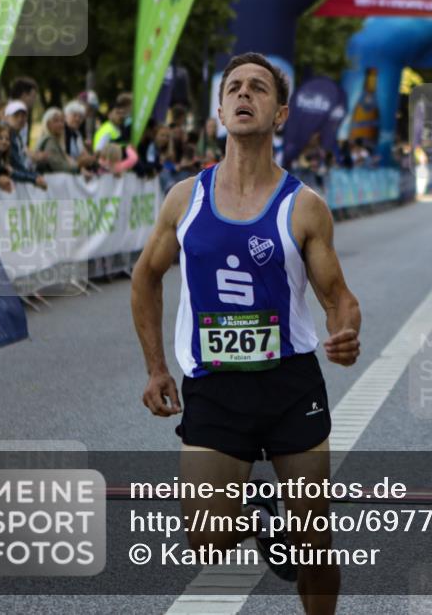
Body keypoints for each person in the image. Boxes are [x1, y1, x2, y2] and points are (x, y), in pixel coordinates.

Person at [131, 52, 360, 615]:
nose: (244, 95)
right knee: (207, 539)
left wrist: (346, 333)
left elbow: (339, 298)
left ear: (279, 114)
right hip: (214, 385)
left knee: (315, 545)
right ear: (219, 109)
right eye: (234, 87)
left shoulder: (304, 207)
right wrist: (157, 367)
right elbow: (145, 278)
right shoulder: (185, 198)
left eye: (258, 88)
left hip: (289, 384)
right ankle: (261, 517)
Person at [3, 101, 48, 189]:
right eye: (16, 115)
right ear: (6, 117)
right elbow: (16, 165)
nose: (20, 119)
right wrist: (34, 177)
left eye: (23, 116)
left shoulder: (17, 136)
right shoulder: (7, 135)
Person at [35, 108, 79, 174]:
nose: (60, 124)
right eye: (56, 121)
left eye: (62, 121)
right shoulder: (49, 141)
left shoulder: (56, 141)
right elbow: (59, 168)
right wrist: (79, 164)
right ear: (48, 124)